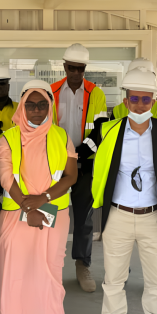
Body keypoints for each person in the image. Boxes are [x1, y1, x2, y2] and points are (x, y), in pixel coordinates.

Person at [88, 66, 157, 314]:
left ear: (154, 101)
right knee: (113, 279)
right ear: (125, 101)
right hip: (118, 215)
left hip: (153, 216)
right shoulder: (109, 131)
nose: (140, 105)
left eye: (146, 99)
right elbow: (94, 165)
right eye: (135, 99)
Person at [0, 80, 78, 314]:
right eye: (31, 105)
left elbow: (71, 176)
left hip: (53, 212)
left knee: (51, 272)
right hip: (17, 215)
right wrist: (29, 209)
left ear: (49, 107)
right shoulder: (8, 139)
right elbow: (7, 178)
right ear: (22, 107)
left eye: (42, 105)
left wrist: (44, 199)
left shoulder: (61, 136)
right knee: (16, 272)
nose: (37, 110)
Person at [51, 43, 108, 293]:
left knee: (84, 218)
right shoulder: (51, 91)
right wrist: (63, 158)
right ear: (64, 67)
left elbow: (100, 131)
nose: (76, 72)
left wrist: (77, 155)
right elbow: (46, 129)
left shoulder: (96, 94)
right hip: (55, 165)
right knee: (50, 213)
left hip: (85, 164)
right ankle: (49, 266)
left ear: (85, 68)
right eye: (72, 68)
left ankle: (82, 264)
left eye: (80, 68)